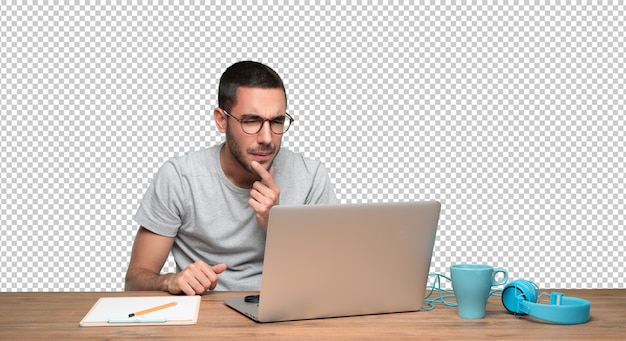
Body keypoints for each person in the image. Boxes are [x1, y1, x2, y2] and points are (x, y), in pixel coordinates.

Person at [125, 61, 338, 295]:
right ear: (221, 120)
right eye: (251, 121)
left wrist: (278, 225)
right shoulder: (179, 177)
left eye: (277, 121)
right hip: (205, 315)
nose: (267, 137)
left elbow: (331, 278)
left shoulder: (311, 177)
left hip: (286, 313)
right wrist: (170, 281)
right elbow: (135, 280)